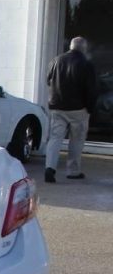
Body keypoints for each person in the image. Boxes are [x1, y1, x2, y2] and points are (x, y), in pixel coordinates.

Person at [44, 37, 98, 183]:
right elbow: (91, 90)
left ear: (71, 46)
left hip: (57, 106)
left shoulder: (56, 60)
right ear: (83, 49)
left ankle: (50, 168)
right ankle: (73, 171)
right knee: (76, 139)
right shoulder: (86, 64)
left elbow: (48, 80)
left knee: (55, 138)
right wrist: (90, 108)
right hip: (78, 108)